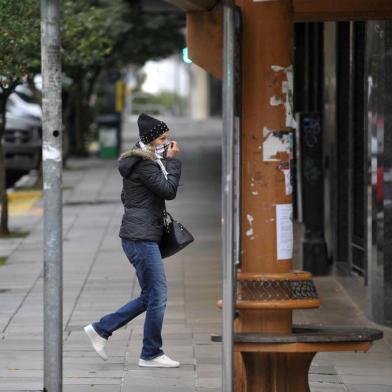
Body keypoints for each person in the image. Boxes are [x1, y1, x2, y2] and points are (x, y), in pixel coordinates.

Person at [84, 113, 182, 368]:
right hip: (140, 238)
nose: (168, 143)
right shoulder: (145, 165)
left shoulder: (144, 162)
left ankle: (101, 329)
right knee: (158, 295)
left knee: (150, 295)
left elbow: (128, 198)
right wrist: (173, 162)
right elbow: (169, 191)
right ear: (150, 141)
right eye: (163, 138)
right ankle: (150, 353)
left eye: (168, 138)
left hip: (140, 234)